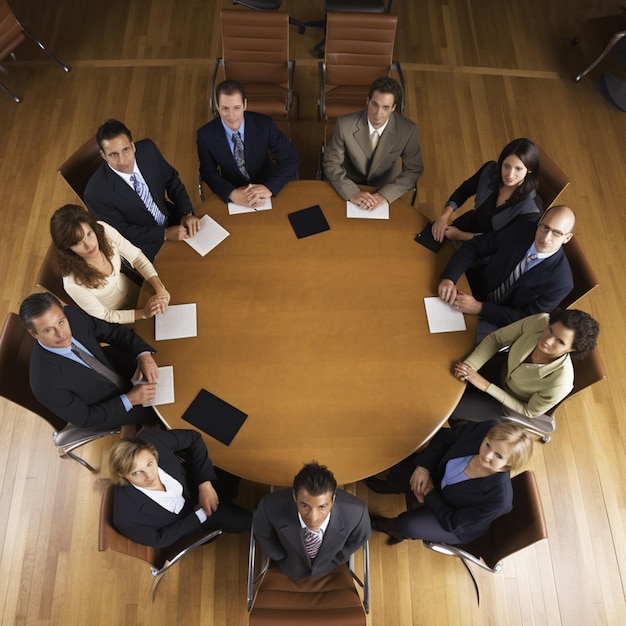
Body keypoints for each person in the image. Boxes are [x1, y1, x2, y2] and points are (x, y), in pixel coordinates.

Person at [365, 420, 533, 544]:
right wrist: (423, 468)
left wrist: (430, 494)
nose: (487, 455)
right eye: (488, 444)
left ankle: (390, 527)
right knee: (402, 468)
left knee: (408, 525)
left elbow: (454, 523)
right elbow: (447, 436)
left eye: (498, 456)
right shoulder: (489, 428)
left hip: (454, 520)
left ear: (509, 463)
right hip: (439, 480)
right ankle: (388, 486)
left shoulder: (499, 501)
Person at [19, 292, 161, 430]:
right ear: (34, 334)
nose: (61, 334)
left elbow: (113, 332)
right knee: (171, 411)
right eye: (49, 330)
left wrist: (144, 355)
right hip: (112, 407)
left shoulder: (72, 315)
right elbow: (86, 419)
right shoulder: (44, 384)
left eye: (61, 322)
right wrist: (130, 399)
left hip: (124, 367)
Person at [438, 205, 575, 340]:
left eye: (557, 233)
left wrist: (479, 308)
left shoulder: (561, 282)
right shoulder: (521, 229)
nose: (545, 238)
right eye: (544, 227)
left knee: (447, 340)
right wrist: (449, 279)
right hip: (472, 288)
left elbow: (527, 318)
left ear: (567, 238)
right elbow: (475, 246)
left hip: (499, 321)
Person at [450, 308, 600, 428]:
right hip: (497, 366)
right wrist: (469, 366)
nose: (547, 340)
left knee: (449, 406)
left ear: (572, 350)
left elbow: (528, 411)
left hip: (504, 403)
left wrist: (486, 386)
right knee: (445, 374)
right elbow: (496, 339)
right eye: (551, 330)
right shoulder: (540, 321)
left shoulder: (561, 383)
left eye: (560, 342)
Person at [110, 427, 251, 548]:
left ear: (154, 453)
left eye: (149, 464)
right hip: (189, 519)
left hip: (195, 483)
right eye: (136, 473)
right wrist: (200, 515)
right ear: (122, 474)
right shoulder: (125, 518)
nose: (149, 476)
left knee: (242, 460)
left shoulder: (151, 439)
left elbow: (193, 438)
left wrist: (205, 484)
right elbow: (159, 540)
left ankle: (230, 492)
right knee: (247, 521)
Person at [84, 119, 199, 262]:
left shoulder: (148, 150)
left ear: (133, 146)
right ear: (103, 155)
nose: (123, 161)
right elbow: (122, 232)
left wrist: (186, 213)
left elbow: (172, 180)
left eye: (126, 150)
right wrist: (164, 234)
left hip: (173, 219)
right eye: (113, 155)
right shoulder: (95, 193)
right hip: (143, 246)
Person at [50, 204, 170, 324]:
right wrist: (143, 313)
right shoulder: (73, 284)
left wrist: (160, 290)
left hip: (137, 290)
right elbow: (106, 315)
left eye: (89, 234)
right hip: (120, 317)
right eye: (77, 243)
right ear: (67, 248)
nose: (89, 245)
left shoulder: (104, 230)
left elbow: (136, 257)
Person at [252, 461, 371, 580]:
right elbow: (262, 533)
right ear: (295, 497)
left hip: (328, 567)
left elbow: (360, 538)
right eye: (305, 506)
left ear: (333, 499)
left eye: (322, 507)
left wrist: (339, 558)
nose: (313, 518)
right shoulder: (269, 506)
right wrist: (279, 556)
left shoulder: (357, 513)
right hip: (290, 566)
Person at [323, 75, 424, 210]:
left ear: (393, 107)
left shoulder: (408, 130)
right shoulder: (344, 124)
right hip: (349, 182)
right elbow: (331, 163)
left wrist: (385, 195)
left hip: (386, 186)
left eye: (385, 107)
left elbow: (413, 169)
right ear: (367, 101)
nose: (378, 114)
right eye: (374, 104)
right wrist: (352, 192)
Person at [197, 79, 300, 208]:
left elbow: (291, 159)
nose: (231, 115)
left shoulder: (264, 124)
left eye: (237, 108)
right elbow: (208, 172)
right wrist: (231, 193)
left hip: (268, 182)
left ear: (245, 104)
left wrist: (269, 187)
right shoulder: (205, 135)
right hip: (234, 188)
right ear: (217, 106)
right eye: (225, 108)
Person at [431, 138, 541, 243]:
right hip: (468, 226)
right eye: (506, 166)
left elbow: (505, 240)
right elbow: (464, 191)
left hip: (490, 251)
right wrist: (443, 216)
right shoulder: (490, 171)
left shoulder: (531, 209)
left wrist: (463, 236)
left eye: (518, 168)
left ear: (529, 169)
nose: (510, 175)